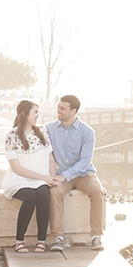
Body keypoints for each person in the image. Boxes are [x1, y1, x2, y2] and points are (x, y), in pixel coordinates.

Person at [48, 93, 107, 250]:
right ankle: (58, 237)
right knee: (54, 193)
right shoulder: (49, 129)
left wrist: (64, 176)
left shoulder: (87, 132)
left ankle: (96, 236)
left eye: (62, 108)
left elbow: (84, 162)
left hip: (83, 174)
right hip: (62, 175)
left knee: (97, 191)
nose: (58, 111)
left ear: (73, 111)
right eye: (58, 107)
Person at [2, 99, 57, 252]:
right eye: (35, 112)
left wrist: (51, 177)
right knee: (30, 197)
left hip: (42, 180)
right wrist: (43, 177)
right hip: (19, 180)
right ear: (24, 114)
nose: (38, 116)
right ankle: (19, 241)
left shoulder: (42, 131)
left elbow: (50, 158)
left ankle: (41, 240)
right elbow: (16, 167)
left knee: (44, 195)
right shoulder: (11, 135)